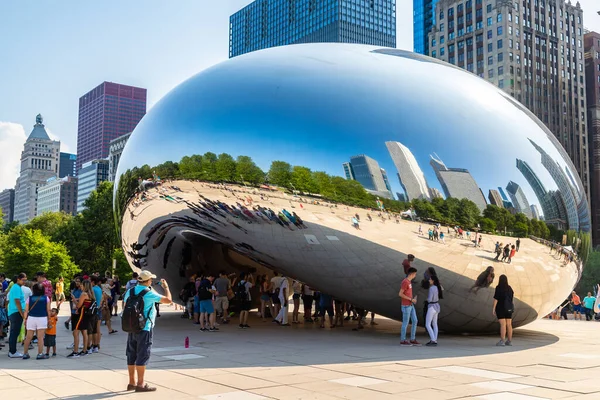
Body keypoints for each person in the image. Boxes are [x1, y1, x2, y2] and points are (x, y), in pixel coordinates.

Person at [122, 270, 173, 392]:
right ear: (148, 281)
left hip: (131, 327)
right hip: (144, 327)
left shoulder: (130, 291)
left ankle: (131, 383)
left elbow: (124, 305)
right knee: (142, 355)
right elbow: (168, 300)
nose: (152, 281)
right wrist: (166, 288)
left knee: (131, 355)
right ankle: (140, 384)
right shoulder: (149, 293)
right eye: (151, 279)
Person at [22, 283, 51, 360]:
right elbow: (48, 310)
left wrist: (25, 319)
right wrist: (49, 319)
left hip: (31, 318)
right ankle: (40, 354)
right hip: (42, 318)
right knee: (40, 337)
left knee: (28, 337)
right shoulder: (46, 298)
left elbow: (26, 310)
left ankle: (25, 353)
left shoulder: (30, 298)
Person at [68, 280, 94, 358]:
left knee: (75, 332)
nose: (80, 287)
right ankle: (85, 349)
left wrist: (74, 299)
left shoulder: (83, 294)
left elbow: (78, 305)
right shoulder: (90, 294)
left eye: (82, 285)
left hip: (81, 314)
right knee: (84, 332)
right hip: (86, 315)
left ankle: (75, 351)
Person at [7, 273, 27, 358]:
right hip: (16, 312)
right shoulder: (16, 288)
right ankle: (12, 351)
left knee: (14, 332)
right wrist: (22, 313)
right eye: (23, 280)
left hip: (15, 312)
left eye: (25, 280)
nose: (24, 282)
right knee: (14, 332)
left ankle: (12, 350)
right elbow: (17, 301)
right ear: (18, 279)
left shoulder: (17, 287)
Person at [399, 267, 420, 346]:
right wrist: (411, 299)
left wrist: (412, 299)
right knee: (405, 323)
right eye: (415, 274)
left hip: (410, 305)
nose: (415, 275)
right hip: (406, 306)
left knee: (415, 321)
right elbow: (400, 294)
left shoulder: (409, 282)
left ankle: (412, 339)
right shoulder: (405, 282)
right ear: (412, 274)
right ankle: (403, 340)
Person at [493, 274, 514, 346]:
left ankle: (502, 341)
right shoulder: (509, 288)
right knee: (509, 324)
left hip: (500, 308)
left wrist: (493, 308)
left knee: (503, 325)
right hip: (509, 308)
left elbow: (496, 299)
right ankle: (509, 341)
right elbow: (511, 298)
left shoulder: (498, 287)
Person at [425, 275, 443, 347]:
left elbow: (430, 299)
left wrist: (426, 300)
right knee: (435, 324)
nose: (429, 280)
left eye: (430, 279)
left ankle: (433, 340)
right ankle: (435, 339)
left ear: (433, 281)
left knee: (427, 324)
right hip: (437, 306)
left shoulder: (432, 288)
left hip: (431, 306)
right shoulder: (439, 287)